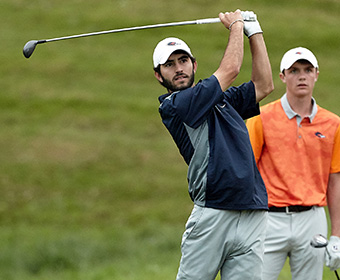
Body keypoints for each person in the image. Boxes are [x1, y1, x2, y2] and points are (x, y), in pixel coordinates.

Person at [153, 10, 274, 280]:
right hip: (213, 212)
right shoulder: (176, 106)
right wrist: (237, 26)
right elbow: (230, 69)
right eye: (169, 64)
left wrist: (255, 32)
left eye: (183, 60)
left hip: (252, 210)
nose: (178, 68)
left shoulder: (221, 100)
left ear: (194, 65)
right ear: (159, 76)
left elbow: (264, 85)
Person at [246, 47, 340, 279]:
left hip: (312, 219)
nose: (302, 76)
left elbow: (335, 180)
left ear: (316, 74)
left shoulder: (333, 124)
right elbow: (246, 171)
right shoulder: (261, 117)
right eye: (294, 70)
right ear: (282, 76)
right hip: (268, 219)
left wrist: (337, 235)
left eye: (308, 70)